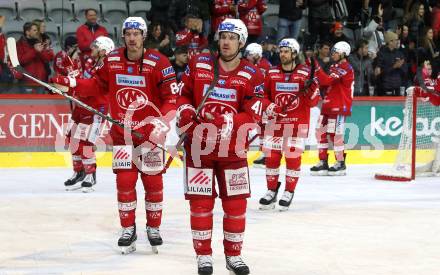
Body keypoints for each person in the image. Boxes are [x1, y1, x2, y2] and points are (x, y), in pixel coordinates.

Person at [51, 17, 178, 254]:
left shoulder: (159, 62)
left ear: (144, 35)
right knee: (125, 183)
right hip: (122, 136)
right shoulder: (112, 60)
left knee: (153, 184)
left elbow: (172, 100)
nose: (132, 38)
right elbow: (95, 86)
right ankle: (128, 228)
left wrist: (160, 126)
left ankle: (153, 227)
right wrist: (69, 83)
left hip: (150, 137)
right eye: (128, 33)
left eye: (136, 34)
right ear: (123, 35)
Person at [176, 18, 264, 275]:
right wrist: (185, 109)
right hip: (198, 149)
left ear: (241, 42)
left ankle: (233, 255)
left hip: (232, 150)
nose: (226, 41)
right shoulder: (199, 63)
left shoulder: (252, 74)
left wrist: (231, 120)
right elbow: (183, 94)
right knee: (200, 203)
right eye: (223, 36)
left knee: (236, 205)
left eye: (232, 38)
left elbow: (254, 113)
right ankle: (203, 255)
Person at [258, 38, 320, 211]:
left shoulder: (305, 73)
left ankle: (288, 191)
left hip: (296, 125)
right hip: (275, 124)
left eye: (286, 51)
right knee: (271, 159)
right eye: (281, 51)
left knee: (292, 159)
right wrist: (270, 107)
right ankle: (271, 190)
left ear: (294, 53)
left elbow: (313, 102)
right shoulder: (271, 73)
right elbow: (263, 97)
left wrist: (312, 89)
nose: (282, 54)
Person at [55, 36, 114, 193]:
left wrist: (69, 81)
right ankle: (79, 172)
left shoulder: (107, 66)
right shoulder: (91, 62)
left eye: (95, 47)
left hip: (96, 107)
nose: (91, 49)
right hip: (82, 104)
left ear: (103, 51)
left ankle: (90, 174)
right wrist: (70, 71)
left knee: (87, 141)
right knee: (71, 137)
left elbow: (92, 86)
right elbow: (81, 80)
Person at [310, 41, 354, 176]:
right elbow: (325, 83)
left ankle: (340, 163)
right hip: (328, 104)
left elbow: (327, 81)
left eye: (336, 52)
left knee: (336, 135)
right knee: (320, 132)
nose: (333, 54)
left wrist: (316, 67)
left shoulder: (345, 67)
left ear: (344, 54)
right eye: (333, 51)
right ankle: (323, 161)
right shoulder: (334, 66)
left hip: (339, 105)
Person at [243, 43, 271, 168]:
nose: (247, 56)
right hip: (250, 99)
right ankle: (261, 152)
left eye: (250, 54)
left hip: (262, 100)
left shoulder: (265, 66)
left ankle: (266, 153)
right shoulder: (246, 65)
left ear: (257, 55)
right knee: (257, 127)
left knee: (265, 127)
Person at [16, 22, 54, 94]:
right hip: (27, 80)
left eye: (37, 30)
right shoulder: (19, 44)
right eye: (34, 30)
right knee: (26, 104)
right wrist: (34, 51)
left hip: (40, 79)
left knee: (41, 104)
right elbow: (20, 60)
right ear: (27, 32)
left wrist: (41, 51)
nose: (37, 32)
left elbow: (48, 58)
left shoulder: (39, 42)